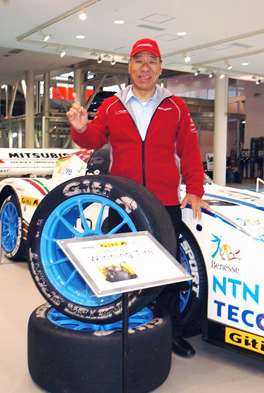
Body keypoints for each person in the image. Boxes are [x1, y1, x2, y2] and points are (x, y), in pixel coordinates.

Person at [67, 38, 210, 358]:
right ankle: (120, 326)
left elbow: (189, 150)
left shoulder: (176, 106)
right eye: (139, 60)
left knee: (167, 269)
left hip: (164, 202)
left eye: (151, 61)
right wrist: (81, 128)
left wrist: (195, 190)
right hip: (121, 202)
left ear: (160, 67)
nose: (145, 67)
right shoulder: (112, 106)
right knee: (118, 268)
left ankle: (170, 333)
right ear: (129, 66)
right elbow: (92, 138)